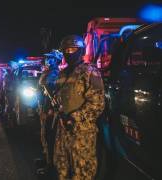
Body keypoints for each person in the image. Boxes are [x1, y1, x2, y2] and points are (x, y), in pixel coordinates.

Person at [53, 35, 105, 180]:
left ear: (80, 51)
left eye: (73, 49)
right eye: (66, 50)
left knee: (82, 171)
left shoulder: (90, 71)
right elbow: (60, 98)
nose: (69, 53)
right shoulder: (62, 73)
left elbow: (97, 104)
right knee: (62, 168)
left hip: (82, 132)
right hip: (63, 130)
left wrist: (74, 117)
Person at [37, 49, 63, 176]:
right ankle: (47, 160)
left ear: (56, 60)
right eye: (47, 58)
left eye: (51, 58)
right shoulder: (49, 71)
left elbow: (46, 85)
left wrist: (50, 111)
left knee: (51, 137)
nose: (48, 60)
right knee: (45, 136)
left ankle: (51, 166)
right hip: (45, 107)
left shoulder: (55, 73)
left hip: (50, 110)